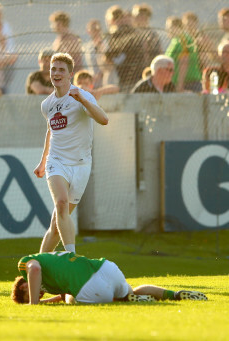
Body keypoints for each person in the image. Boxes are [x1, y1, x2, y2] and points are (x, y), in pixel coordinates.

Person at [33, 53, 109, 255]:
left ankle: (38, 267)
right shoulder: (46, 104)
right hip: (56, 162)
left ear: (70, 74)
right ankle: (71, 256)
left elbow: (103, 120)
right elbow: (51, 131)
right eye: (53, 69)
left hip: (81, 165)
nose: (56, 73)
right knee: (61, 203)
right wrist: (43, 162)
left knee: (57, 227)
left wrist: (83, 100)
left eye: (61, 70)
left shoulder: (82, 96)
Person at [11, 251, 208, 304]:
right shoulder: (51, 270)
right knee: (129, 291)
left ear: (23, 286)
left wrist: (34, 305)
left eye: (32, 295)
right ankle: (175, 295)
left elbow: (34, 270)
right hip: (107, 268)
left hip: (90, 287)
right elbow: (61, 293)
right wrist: (46, 301)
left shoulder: (26, 265)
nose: (38, 295)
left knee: (72, 298)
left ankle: (130, 300)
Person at [104, 5, 146, 93]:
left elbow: (120, 56)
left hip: (132, 72)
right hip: (123, 74)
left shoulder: (129, 32)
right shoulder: (112, 35)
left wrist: (113, 60)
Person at [165, 17, 202, 93]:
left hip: (188, 84)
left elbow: (184, 61)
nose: (167, 31)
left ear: (175, 27)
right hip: (179, 83)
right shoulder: (175, 40)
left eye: (168, 28)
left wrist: (180, 85)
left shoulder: (183, 40)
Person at [131, 3, 162, 73]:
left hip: (152, 66)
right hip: (136, 68)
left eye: (142, 16)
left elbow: (159, 50)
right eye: (137, 16)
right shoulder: (132, 33)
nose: (139, 18)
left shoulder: (152, 33)